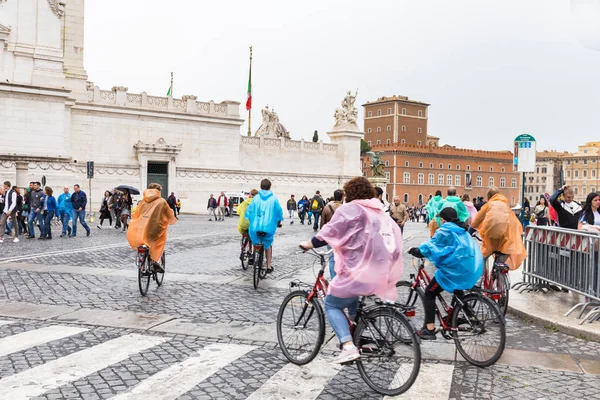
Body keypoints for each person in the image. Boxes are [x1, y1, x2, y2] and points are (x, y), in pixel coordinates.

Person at [299, 177, 403, 363]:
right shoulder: (378, 211)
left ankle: (347, 346)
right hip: (379, 270)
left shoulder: (350, 209)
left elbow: (329, 232)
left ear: (350, 193)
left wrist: (308, 244)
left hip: (357, 270)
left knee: (332, 304)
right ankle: (357, 333)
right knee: (352, 297)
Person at [408, 207, 484, 340]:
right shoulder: (462, 230)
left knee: (429, 293)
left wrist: (416, 251)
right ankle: (468, 317)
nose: (440, 221)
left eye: (441, 219)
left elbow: (431, 245)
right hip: (470, 268)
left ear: (443, 219)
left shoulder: (445, 230)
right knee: (457, 288)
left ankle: (429, 329)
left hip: (455, 270)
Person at [470, 187, 527, 270]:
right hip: (506, 240)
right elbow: (515, 223)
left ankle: (479, 280)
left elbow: (475, 222)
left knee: (481, 258)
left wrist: (469, 233)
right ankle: (500, 270)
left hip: (491, 239)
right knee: (502, 255)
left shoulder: (488, 205)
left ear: (489, 197)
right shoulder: (506, 206)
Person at [127, 183, 177, 273]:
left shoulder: (143, 201)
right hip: (156, 227)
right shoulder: (162, 201)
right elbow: (169, 214)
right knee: (158, 242)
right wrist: (172, 218)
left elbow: (137, 213)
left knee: (144, 241)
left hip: (143, 226)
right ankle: (154, 261)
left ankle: (142, 265)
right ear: (158, 191)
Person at [245, 179, 284, 273]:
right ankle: (268, 266)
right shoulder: (274, 199)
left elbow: (249, 212)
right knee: (268, 244)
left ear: (260, 186)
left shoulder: (255, 198)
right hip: (268, 227)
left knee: (255, 241)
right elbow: (279, 212)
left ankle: (254, 257)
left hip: (255, 227)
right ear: (270, 187)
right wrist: (278, 222)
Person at [320, 189, 344, 279]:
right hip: (342, 237)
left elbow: (322, 225)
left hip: (330, 237)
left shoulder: (327, 208)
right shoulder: (345, 208)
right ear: (342, 197)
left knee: (332, 259)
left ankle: (333, 278)